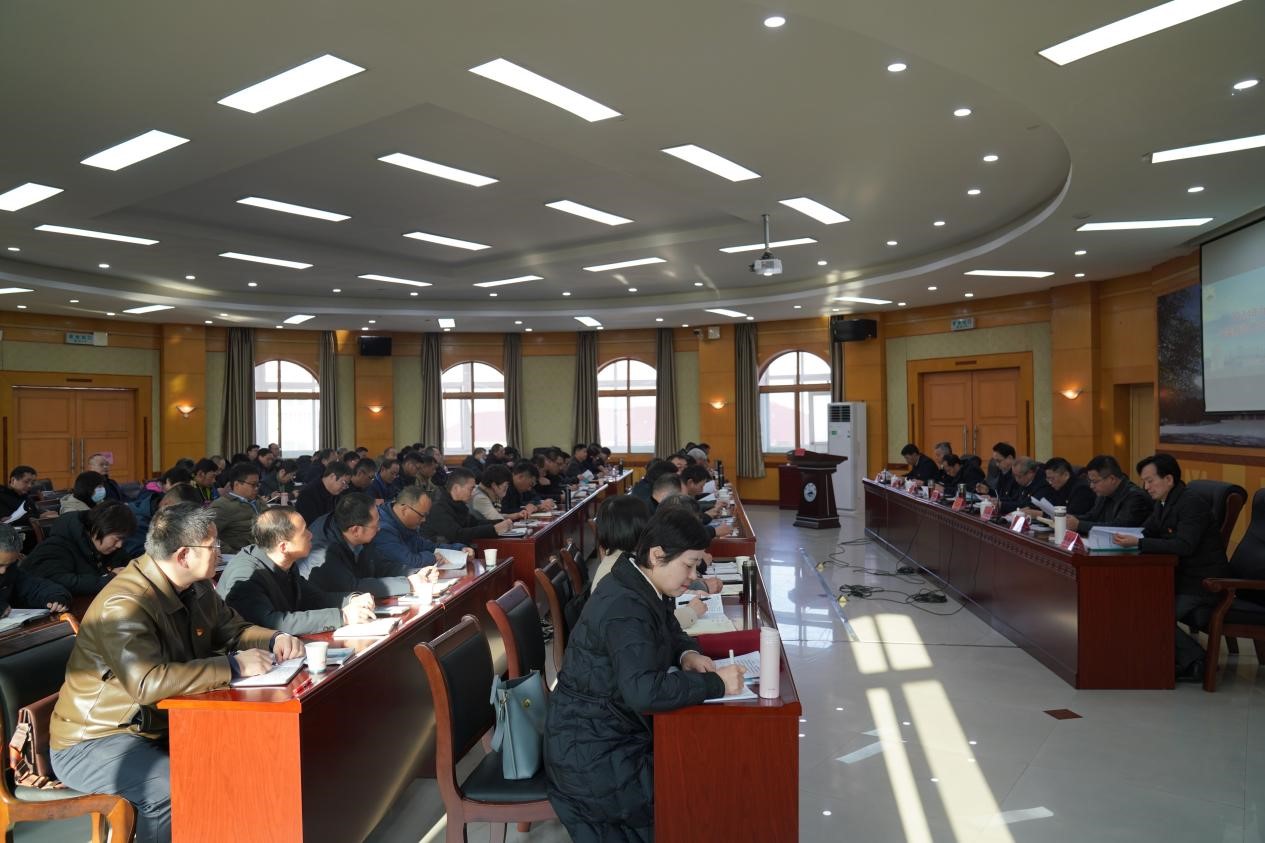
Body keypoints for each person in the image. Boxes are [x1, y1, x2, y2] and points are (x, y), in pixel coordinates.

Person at [50, 503, 302, 843]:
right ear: (183, 555)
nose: (220, 552)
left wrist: (274, 638)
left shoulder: (197, 587)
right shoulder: (124, 603)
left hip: (159, 722)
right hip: (96, 739)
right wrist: (232, 666)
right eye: (212, 546)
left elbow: (233, 629)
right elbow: (146, 682)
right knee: (170, 788)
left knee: (247, 754)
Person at [544, 507, 745, 841]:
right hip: (592, 754)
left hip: (605, 729)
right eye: (688, 565)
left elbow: (669, 628)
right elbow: (644, 692)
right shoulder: (626, 605)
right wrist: (715, 684)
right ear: (656, 554)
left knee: (705, 764)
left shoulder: (640, 582)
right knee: (699, 786)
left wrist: (688, 653)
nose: (692, 575)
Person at [1111, 454, 1231, 681]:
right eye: (1144, 481)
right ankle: (1172, 658)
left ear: (1168, 479)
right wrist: (1113, 537)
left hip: (1202, 583)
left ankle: (1199, 661)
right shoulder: (1164, 502)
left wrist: (1139, 543)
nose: (1146, 487)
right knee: (1136, 603)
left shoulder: (1191, 503)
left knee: (1152, 615)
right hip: (1178, 576)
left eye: (1150, 481)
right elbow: (1146, 531)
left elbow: (1184, 545)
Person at [217, 507, 376, 635]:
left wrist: (351, 599)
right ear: (284, 547)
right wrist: (343, 616)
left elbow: (314, 598)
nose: (311, 535)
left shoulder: (283, 561)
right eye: (304, 532)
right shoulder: (246, 576)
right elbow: (272, 622)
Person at [302, 492, 437, 598]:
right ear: (356, 530)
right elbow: (352, 586)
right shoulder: (322, 552)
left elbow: (379, 565)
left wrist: (415, 573)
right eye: (376, 525)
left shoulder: (361, 533)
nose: (379, 528)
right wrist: (408, 584)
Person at [22, 501, 136, 595]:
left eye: (123, 540)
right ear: (99, 528)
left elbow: (130, 566)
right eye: (116, 539)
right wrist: (109, 579)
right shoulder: (57, 545)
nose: (119, 545)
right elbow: (60, 581)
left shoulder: (111, 548)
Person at [371, 486, 470, 570]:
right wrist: (433, 558)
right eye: (422, 515)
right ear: (404, 509)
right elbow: (409, 562)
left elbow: (426, 546)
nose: (424, 520)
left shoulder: (406, 524)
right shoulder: (382, 528)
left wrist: (459, 549)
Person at [1067, 455, 1153, 536]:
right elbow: (1092, 516)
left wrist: (1079, 525)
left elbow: (1119, 527)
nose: (1091, 486)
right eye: (1090, 481)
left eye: (1095, 481)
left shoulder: (1136, 497)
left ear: (1112, 479)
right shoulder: (1104, 492)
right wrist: (1068, 519)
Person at [422, 467, 513, 544]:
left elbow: (475, 523)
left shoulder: (459, 504)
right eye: (471, 489)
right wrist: (494, 529)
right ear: (456, 488)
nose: (473, 493)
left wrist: (500, 522)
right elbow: (457, 535)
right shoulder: (438, 507)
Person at [0, 524, 70, 615]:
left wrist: (56, 597)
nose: (3, 571)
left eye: (9, 564)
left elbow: (33, 587)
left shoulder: (11, 571)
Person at [209, 462, 262, 556]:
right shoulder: (222, 506)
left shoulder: (258, 501)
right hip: (241, 556)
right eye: (253, 485)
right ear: (237, 484)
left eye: (258, 484)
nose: (257, 488)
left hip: (262, 552)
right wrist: (232, 552)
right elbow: (206, 535)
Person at [295, 461, 351, 525]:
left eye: (347, 484)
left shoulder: (336, 494)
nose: (345, 487)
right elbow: (313, 525)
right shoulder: (307, 495)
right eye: (344, 483)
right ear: (332, 476)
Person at [0, 465, 39, 533]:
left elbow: (35, 512)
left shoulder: (25, 495)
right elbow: (7, 520)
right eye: (26, 482)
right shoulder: (2, 495)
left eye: (32, 483)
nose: (30, 486)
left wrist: (44, 513)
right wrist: (35, 516)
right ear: (13, 480)